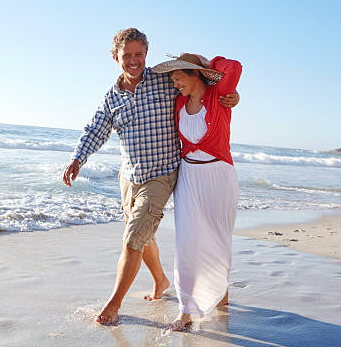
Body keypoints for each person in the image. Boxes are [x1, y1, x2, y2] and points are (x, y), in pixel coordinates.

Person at [62, 28, 239, 324]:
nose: (134, 61)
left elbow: (201, 86)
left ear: (146, 54)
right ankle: (161, 281)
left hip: (162, 173)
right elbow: (95, 130)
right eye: (127, 55)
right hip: (130, 175)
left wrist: (233, 96)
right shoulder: (111, 99)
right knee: (144, 236)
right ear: (115, 57)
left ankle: (113, 304)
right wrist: (78, 158)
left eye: (139, 54)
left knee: (133, 237)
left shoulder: (164, 82)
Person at [151, 53, 242, 331]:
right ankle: (187, 309)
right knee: (187, 242)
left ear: (194, 74)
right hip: (188, 176)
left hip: (219, 177)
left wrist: (206, 63)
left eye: (179, 74)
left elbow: (234, 67)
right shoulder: (178, 101)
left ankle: (220, 290)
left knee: (218, 239)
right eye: (173, 76)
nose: (174, 80)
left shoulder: (220, 95)